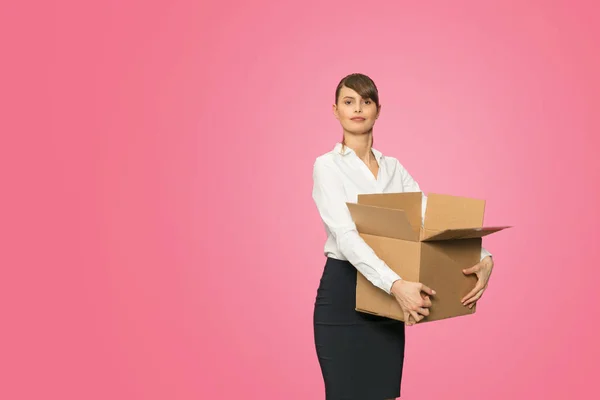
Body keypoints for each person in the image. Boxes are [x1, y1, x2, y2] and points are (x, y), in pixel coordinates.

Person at [311, 73, 495, 400]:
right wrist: (396, 285)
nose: (357, 108)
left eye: (366, 101)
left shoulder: (394, 168)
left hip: (387, 304)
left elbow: (428, 219)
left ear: (378, 110)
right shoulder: (327, 166)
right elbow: (346, 236)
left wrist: (482, 257)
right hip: (345, 294)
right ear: (335, 110)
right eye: (348, 101)